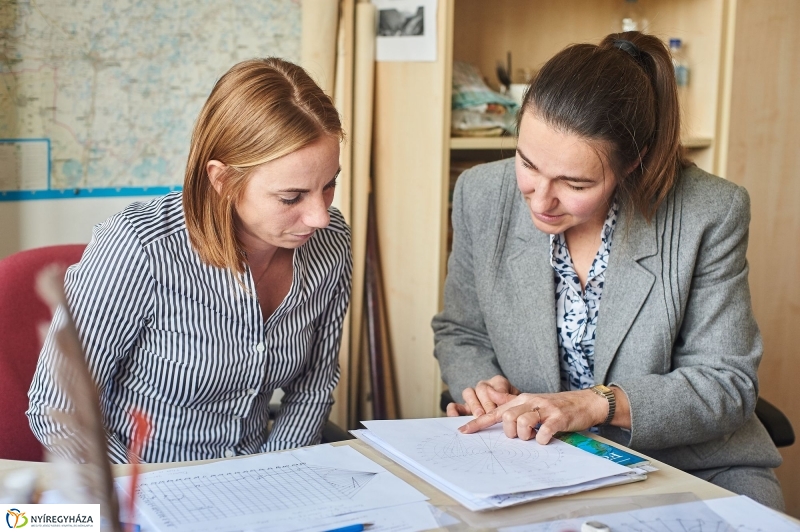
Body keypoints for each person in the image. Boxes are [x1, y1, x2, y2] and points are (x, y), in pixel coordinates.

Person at [432, 32, 784, 510]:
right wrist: (483, 385)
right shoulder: (479, 194)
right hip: (536, 463)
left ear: (631, 163)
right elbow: (460, 331)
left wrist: (597, 403)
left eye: (575, 183)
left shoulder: (709, 212)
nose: (540, 199)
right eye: (528, 164)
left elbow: (726, 383)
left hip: (690, 467)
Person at [27, 58, 352, 463]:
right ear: (222, 180)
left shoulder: (331, 241)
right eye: (291, 197)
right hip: (139, 488)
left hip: (258, 484)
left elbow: (315, 384)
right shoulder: (139, 248)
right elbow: (56, 411)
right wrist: (154, 492)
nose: (320, 216)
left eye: (329, 184)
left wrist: (270, 474)